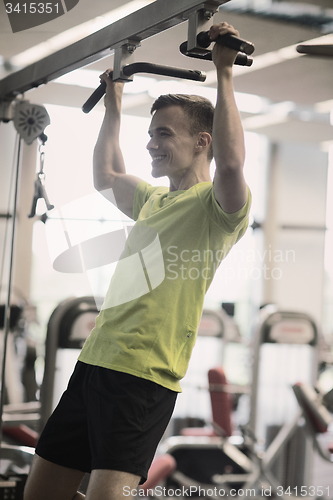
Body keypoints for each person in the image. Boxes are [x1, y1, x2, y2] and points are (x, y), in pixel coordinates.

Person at [24, 22, 251, 500]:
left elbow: (232, 165)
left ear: (202, 141)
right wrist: (114, 106)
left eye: (163, 134)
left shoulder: (218, 209)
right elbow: (106, 174)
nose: (150, 143)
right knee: (40, 494)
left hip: (144, 377)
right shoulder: (153, 199)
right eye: (149, 134)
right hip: (94, 363)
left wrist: (224, 73)